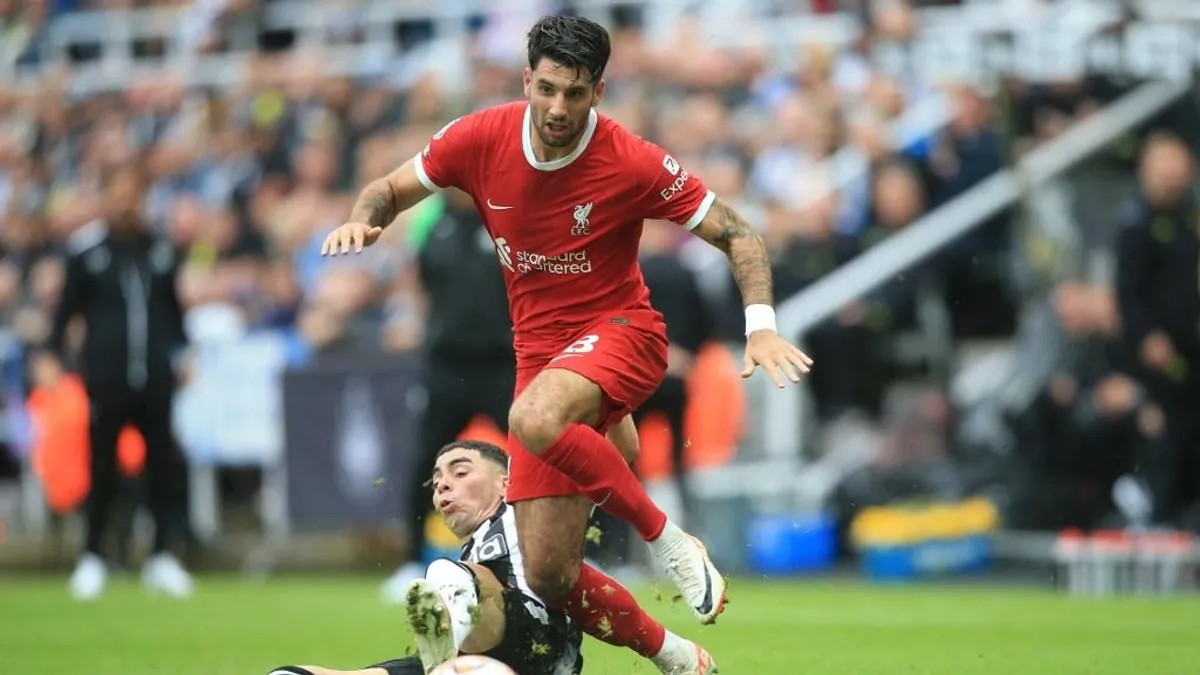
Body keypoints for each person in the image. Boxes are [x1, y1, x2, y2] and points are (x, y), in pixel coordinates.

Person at [321, 13, 810, 658]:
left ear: (598, 92)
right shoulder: (478, 138)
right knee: (549, 576)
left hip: (624, 333)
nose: (558, 107)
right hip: (541, 358)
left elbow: (737, 233)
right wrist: (364, 221)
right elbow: (386, 188)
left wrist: (761, 327)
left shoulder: (629, 159)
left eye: (575, 94)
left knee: (529, 417)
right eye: (547, 89)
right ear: (526, 80)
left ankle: (668, 540)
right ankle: (677, 655)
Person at [266, 440, 713, 675]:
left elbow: (613, 455)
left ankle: (449, 634)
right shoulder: (472, 548)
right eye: (437, 480)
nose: (442, 486)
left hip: (537, 648)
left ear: (506, 483)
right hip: (481, 656)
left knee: (452, 576)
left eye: (460, 472)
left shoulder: (529, 509)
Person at [41, 161, 195, 601]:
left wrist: (184, 353)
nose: (125, 200)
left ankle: (163, 556)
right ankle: (92, 556)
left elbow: (173, 312)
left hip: (156, 378)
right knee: (102, 466)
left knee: (163, 465)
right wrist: (51, 356)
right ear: (106, 197)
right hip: (106, 377)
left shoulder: (160, 250)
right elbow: (65, 314)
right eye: (118, 191)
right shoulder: (87, 252)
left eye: (133, 191)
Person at [381, 188, 517, 604]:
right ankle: (410, 560)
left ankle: (580, 552)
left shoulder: (505, 214)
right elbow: (420, 282)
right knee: (426, 460)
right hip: (446, 365)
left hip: (500, 363)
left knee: (540, 454)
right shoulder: (430, 223)